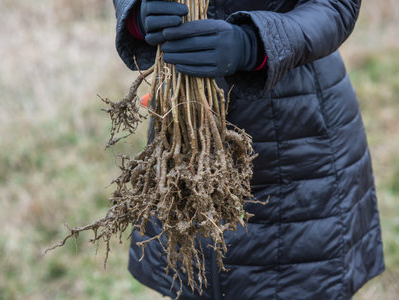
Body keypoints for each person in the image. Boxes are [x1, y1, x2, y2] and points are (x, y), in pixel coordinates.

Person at [112, 0, 385, 299]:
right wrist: (138, 14)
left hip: (298, 141)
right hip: (182, 137)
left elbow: (335, 6)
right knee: (195, 277)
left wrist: (252, 44)